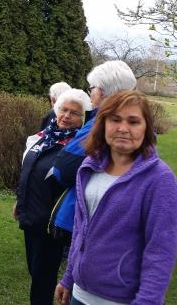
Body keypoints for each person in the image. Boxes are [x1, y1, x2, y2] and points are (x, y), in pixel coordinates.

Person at [54, 90, 177, 305]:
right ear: (103, 125)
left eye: (133, 122)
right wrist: (69, 277)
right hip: (80, 294)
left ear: (146, 128)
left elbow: (160, 250)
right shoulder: (90, 167)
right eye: (115, 120)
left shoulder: (159, 179)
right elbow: (80, 228)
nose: (123, 128)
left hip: (121, 299)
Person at [13, 89, 91, 305]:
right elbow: (28, 171)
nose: (66, 116)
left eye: (74, 113)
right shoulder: (44, 137)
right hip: (30, 215)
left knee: (42, 277)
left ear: (83, 118)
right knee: (35, 271)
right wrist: (20, 199)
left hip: (52, 222)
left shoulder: (78, 147)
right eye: (63, 110)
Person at [51, 61, 137, 240]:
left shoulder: (99, 123)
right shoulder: (138, 124)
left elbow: (63, 169)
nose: (90, 93)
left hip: (86, 218)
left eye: (91, 88)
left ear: (101, 91)